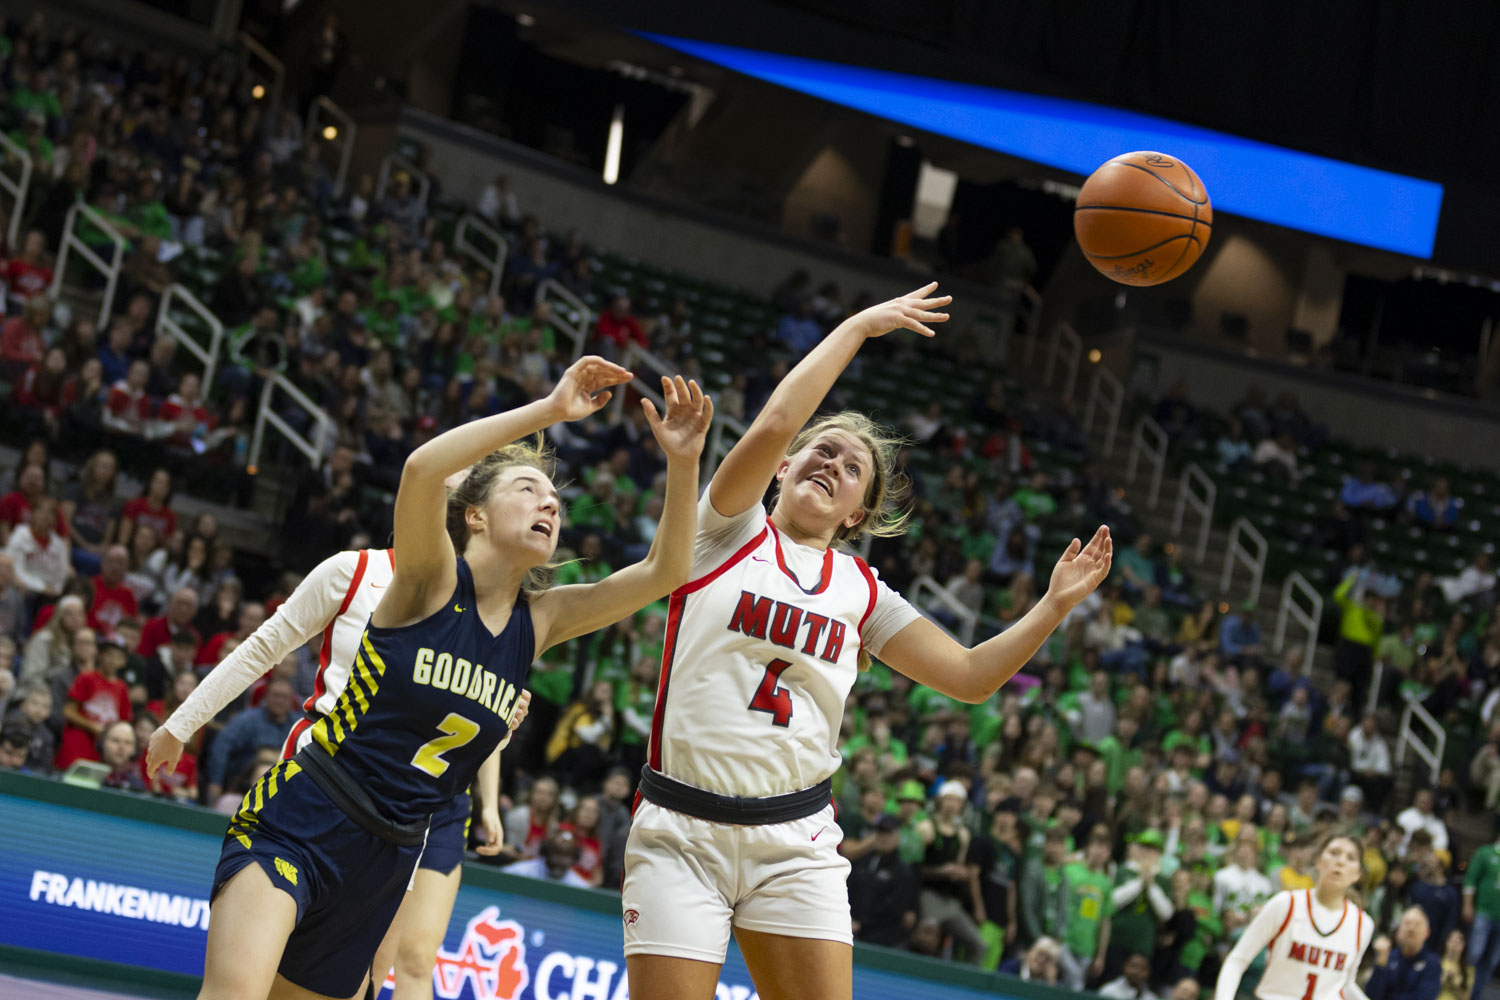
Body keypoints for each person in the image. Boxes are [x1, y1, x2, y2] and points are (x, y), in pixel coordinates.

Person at [620, 284, 1113, 1000]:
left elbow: (971, 677)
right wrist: (855, 327)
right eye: (821, 451)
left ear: (857, 515)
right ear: (784, 468)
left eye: (852, 469)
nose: (832, 465)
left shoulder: (864, 590)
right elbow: (772, 424)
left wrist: (1053, 606)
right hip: (680, 828)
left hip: (795, 840)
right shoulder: (725, 531)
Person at [186, 356, 710, 1000]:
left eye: (553, 499)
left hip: (390, 856)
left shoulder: (541, 622)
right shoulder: (429, 578)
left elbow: (666, 572)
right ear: (475, 516)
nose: (548, 501)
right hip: (307, 812)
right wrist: (551, 409)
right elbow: (422, 470)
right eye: (524, 489)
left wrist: (683, 464)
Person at [150, 530, 526, 1000]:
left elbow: (464, 727)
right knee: (244, 981)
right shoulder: (358, 571)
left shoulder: (486, 613)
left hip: (403, 822)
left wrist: (501, 730)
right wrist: (181, 724)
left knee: (376, 978)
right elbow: (266, 644)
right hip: (318, 788)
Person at [1213, 834, 1374, 1000]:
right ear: (1318, 861)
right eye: (1334, 853)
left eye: (1351, 857)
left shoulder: (1363, 924)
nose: (1340, 861)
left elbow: (1345, 984)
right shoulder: (1285, 903)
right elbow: (1237, 959)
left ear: (1358, 874)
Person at [847, 813, 920, 948]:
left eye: (888, 833)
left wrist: (862, 925)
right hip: (849, 929)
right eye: (880, 832)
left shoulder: (903, 871)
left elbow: (894, 909)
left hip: (880, 938)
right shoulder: (862, 861)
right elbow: (847, 889)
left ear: (898, 837)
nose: (883, 837)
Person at [1365, 908, 1442, 1000]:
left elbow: (1424, 997)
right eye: (1407, 923)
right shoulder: (1388, 957)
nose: (1411, 928)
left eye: (1417, 924)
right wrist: (1380, 965)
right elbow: (1371, 996)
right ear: (1399, 930)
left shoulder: (1433, 963)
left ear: (1427, 932)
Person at [1462, 823, 1500, 1000]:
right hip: (1483, 912)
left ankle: (1476, 996)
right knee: (1475, 954)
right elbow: (1470, 880)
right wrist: (1468, 905)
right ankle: (1463, 990)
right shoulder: (1486, 853)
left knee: (1491, 961)